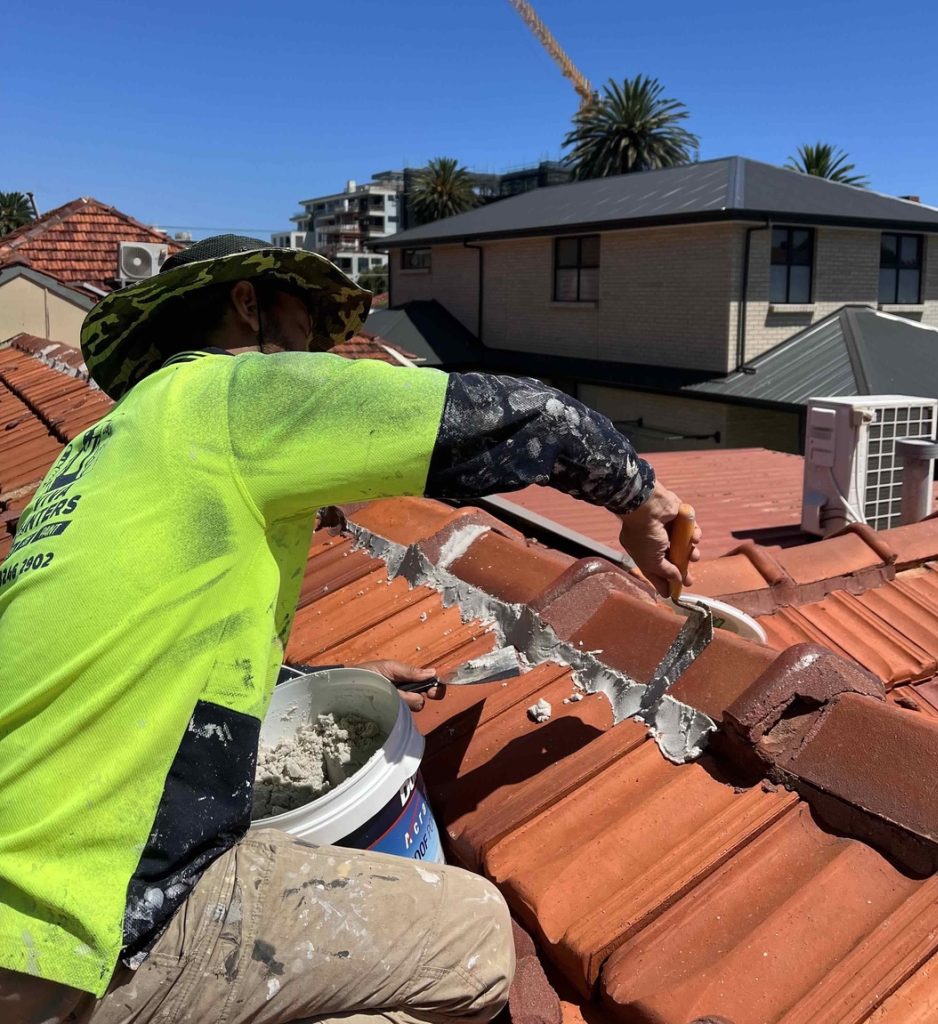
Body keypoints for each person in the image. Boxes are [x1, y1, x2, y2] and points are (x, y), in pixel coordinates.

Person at [0, 236, 700, 1023]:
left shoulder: (93, 455)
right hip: (65, 927)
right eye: (304, 317)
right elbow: (506, 418)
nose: (316, 349)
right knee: (470, 938)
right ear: (248, 302)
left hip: (21, 876)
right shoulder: (228, 394)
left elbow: (133, 652)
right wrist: (640, 496)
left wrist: (311, 682)